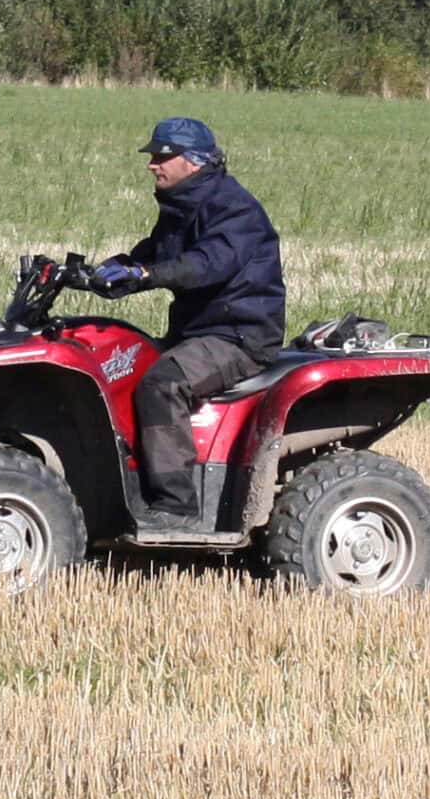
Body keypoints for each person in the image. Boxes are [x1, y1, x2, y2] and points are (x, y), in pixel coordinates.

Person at [92, 118, 286, 528]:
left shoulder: (234, 208)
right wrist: (103, 272)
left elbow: (207, 264)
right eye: (153, 156)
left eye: (163, 156)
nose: (152, 164)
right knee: (119, 365)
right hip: (198, 332)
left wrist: (145, 276)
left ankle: (176, 505)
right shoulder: (182, 205)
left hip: (239, 335)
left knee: (162, 383)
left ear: (194, 162)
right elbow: (154, 255)